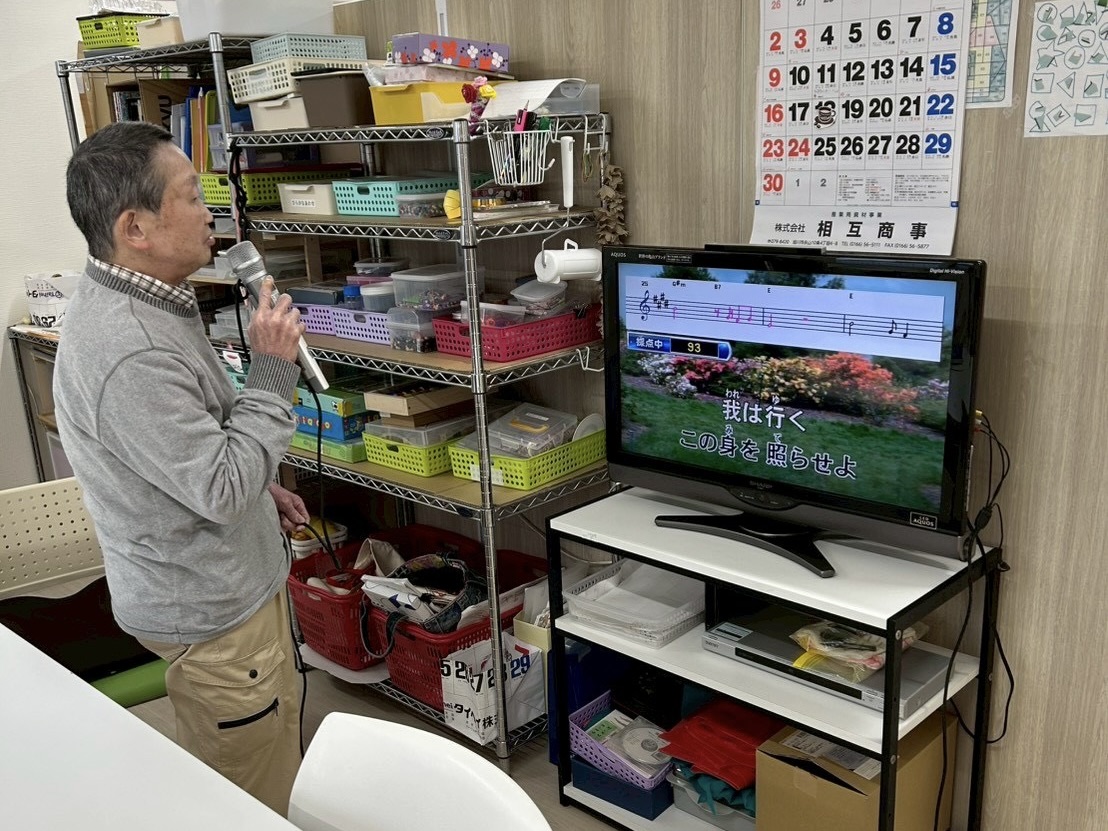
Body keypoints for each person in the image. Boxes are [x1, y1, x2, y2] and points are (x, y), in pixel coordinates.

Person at [54, 120, 309, 815]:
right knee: (246, 802)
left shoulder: (145, 297)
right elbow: (220, 489)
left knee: (271, 755)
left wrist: (261, 490)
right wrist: (272, 371)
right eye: (193, 196)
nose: (209, 212)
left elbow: (191, 452)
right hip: (210, 609)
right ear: (135, 227)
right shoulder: (131, 348)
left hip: (219, 584)